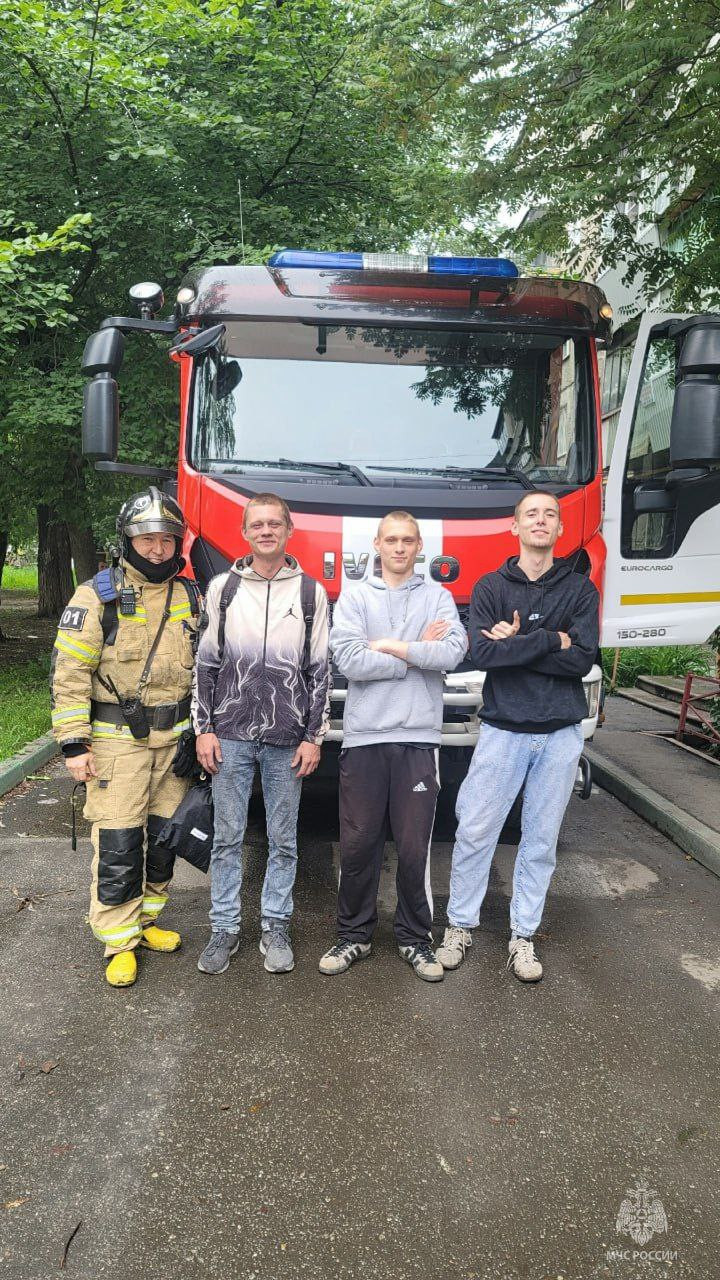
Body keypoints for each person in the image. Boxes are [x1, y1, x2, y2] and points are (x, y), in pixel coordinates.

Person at [435, 491, 600, 983]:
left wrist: (519, 644)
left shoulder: (580, 590)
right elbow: (483, 656)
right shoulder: (490, 586)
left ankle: (522, 936)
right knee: (475, 831)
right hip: (503, 729)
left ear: (560, 529)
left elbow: (582, 659)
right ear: (515, 526)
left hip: (560, 733)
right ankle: (460, 926)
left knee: (541, 840)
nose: (541, 521)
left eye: (550, 515)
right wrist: (551, 639)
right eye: (532, 514)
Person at [51, 488, 200, 987]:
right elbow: (70, 672)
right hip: (117, 745)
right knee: (119, 844)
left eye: (167, 540)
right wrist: (74, 744)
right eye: (147, 539)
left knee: (163, 841)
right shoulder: (97, 596)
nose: (157, 550)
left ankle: (147, 921)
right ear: (127, 541)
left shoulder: (190, 596)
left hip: (174, 744)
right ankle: (119, 942)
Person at [319, 511, 468, 983]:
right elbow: (349, 660)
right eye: (391, 540)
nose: (399, 548)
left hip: (418, 740)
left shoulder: (438, 597)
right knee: (358, 843)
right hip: (365, 737)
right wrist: (415, 653)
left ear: (419, 546)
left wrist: (388, 645)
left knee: (413, 848)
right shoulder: (356, 597)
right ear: (377, 546)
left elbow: (452, 653)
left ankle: (415, 939)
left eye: (407, 540)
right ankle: (353, 935)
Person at [193, 493, 330, 977]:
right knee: (227, 838)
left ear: (289, 530)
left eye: (275, 524)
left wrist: (314, 735)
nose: (266, 531)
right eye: (258, 525)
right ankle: (224, 928)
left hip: (288, 737)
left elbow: (319, 670)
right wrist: (204, 729)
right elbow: (205, 665)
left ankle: (275, 926)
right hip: (229, 733)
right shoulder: (223, 589)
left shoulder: (310, 593)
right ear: (245, 533)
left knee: (283, 840)